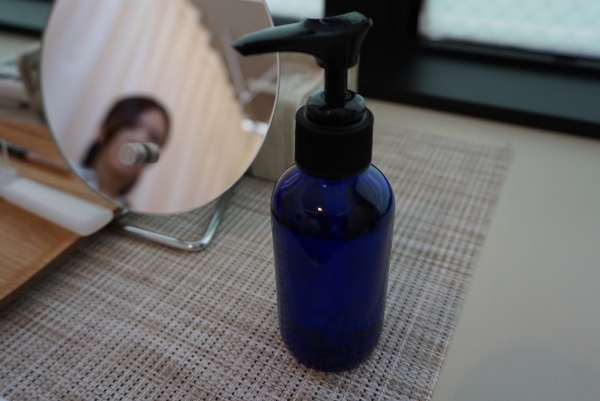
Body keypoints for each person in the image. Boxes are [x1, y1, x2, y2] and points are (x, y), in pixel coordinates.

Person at [77, 96, 170, 204]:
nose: (140, 140)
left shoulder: (129, 213)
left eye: (154, 138)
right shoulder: (63, 175)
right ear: (103, 131)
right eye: (131, 125)